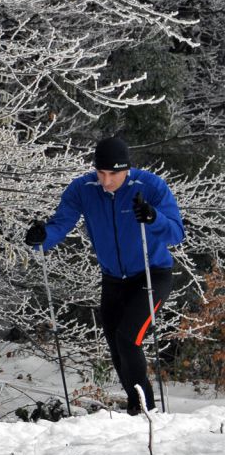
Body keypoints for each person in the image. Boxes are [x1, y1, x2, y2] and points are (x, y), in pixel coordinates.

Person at [25, 136, 184, 414]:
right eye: (101, 172)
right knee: (115, 346)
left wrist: (152, 217)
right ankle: (138, 409)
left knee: (128, 338)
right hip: (113, 280)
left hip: (151, 275)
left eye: (113, 174)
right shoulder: (83, 189)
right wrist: (42, 237)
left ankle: (144, 409)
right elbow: (61, 224)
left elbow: (176, 233)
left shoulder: (150, 187)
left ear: (127, 170)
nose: (106, 180)